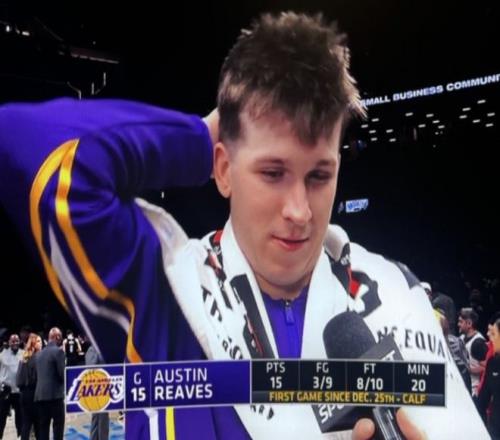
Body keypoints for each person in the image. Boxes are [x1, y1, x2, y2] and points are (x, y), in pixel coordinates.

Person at [0, 11, 488, 440]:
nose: (300, 211)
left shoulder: (396, 293)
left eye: (319, 176)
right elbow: (20, 141)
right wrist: (201, 136)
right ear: (224, 169)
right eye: (273, 172)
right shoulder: (165, 290)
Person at [34, 327, 65, 440]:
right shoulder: (59, 352)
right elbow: (62, 374)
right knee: (58, 428)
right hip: (55, 396)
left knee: (43, 428)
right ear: (57, 337)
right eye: (60, 337)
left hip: (40, 397)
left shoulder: (38, 354)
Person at [477, 317, 500, 439]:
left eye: (494, 334)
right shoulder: (492, 363)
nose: (490, 337)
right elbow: (482, 401)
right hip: (495, 429)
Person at [16, 332, 42, 440]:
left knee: (26, 424)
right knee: (38, 425)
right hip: (35, 394)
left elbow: (18, 380)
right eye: (39, 341)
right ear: (34, 344)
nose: (41, 343)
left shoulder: (23, 358)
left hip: (24, 395)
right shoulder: (38, 358)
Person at [458, 307, 488, 396]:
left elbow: (486, 367)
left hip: (474, 391)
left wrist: (469, 370)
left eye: (460, 322)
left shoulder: (478, 343)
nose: (458, 324)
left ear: (469, 323)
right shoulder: (461, 338)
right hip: (463, 389)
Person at [0, 334, 23, 439]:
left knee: (20, 417)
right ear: (9, 342)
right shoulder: (2, 355)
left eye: (16, 341)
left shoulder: (23, 354)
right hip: (6, 391)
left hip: (19, 391)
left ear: (19, 342)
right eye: (13, 341)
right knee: (1, 417)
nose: (15, 343)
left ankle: (20, 437)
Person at [85, 344, 110, 440]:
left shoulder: (103, 349)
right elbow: (90, 367)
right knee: (100, 419)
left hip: (104, 389)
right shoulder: (92, 349)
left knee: (100, 418)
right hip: (96, 389)